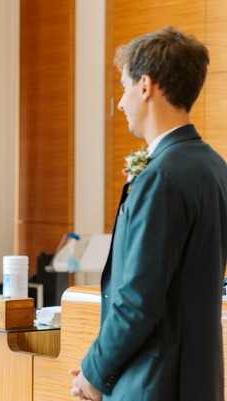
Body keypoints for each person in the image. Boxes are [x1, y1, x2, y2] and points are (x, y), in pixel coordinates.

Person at [71, 27, 227, 401]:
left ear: (146, 86)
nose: (121, 103)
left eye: (124, 87)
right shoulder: (215, 167)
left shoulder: (160, 177)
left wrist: (93, 373)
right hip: (200, 380)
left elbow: (138, 298)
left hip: (152, 383)